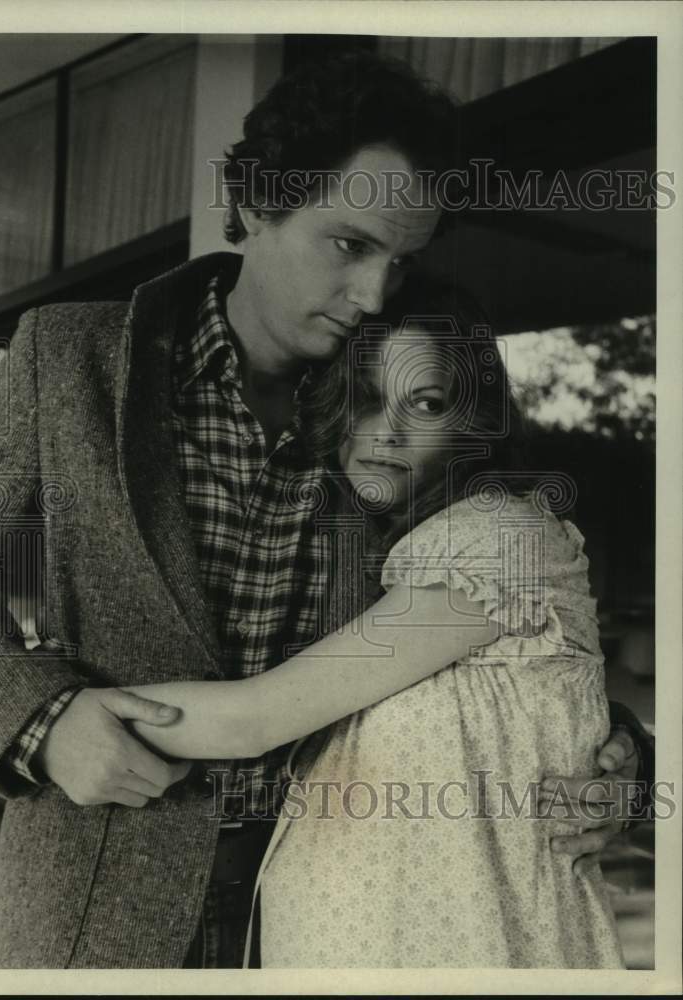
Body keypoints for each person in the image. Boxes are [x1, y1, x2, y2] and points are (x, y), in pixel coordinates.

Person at [0, 50, 649, 969]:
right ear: (253, 205)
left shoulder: (398, 415)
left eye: (401, 261)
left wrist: (611, 758)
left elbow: (489, 634)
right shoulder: (67, 357)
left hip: (338, 908)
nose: (372, 296)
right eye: (350, 245)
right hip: (95, 899)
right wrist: (43, 721)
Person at [118, 282, 627, 967]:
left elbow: (255, 719)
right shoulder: (383, 549)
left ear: (468, 422)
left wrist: (71, 715)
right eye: (363, 400)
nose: (385, 432)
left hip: (469, 951)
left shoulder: (500, 536)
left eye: (424, 403)